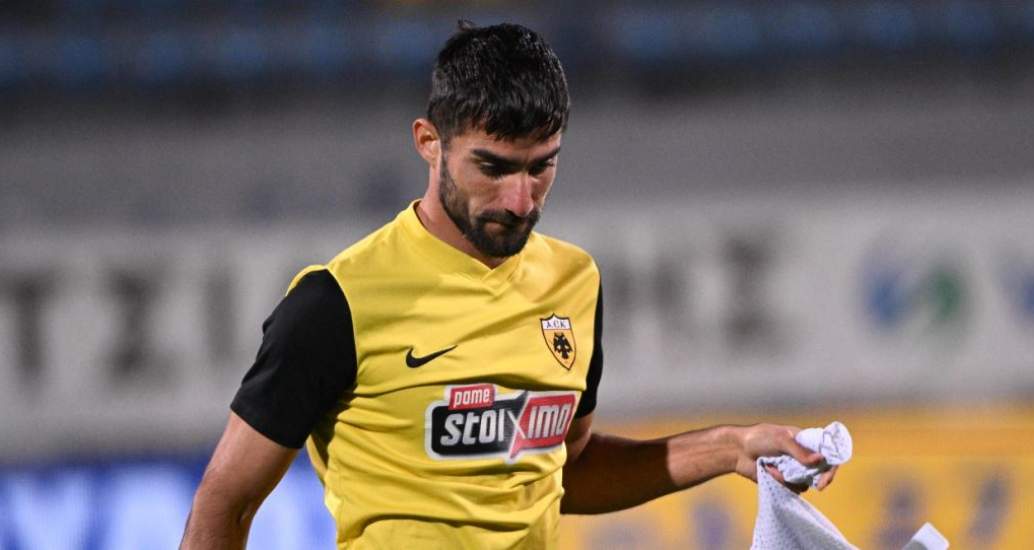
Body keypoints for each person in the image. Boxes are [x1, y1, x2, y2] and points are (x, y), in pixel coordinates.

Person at [180, 21, 837, 549]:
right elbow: (225, 502)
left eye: (541, 167)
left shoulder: (574, 282)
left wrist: (728, 448)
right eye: (492, 168)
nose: (521, 200)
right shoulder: (336, 303)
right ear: (429, 142)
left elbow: (566, 469)